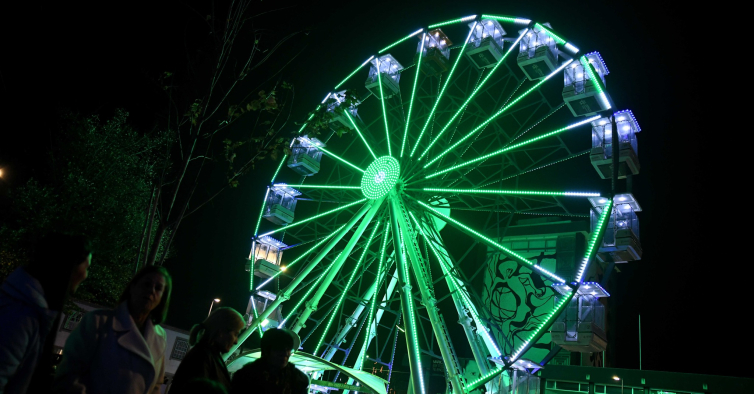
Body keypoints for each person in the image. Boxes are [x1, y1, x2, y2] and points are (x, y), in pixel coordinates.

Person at [54, 265, 172, 394]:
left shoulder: (160, 337)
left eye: (158, 288)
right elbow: (70, 373)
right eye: (147, 284)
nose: (151, 290)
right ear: (132, 287)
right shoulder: (98, 322)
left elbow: (156, 386)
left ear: (162, 298)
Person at [0, 232, 92, 394]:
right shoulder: (23, 315)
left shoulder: (28, 305)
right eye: (87, 266)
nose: (86, 275)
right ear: (68, 265)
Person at [169, 307, 244, 394]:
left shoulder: (206, 355)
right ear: (221, 332)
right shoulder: (202, 357)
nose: (236, 341)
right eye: (235, 334)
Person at [230, 328, 308, 394]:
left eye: (288, 349)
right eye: (280, 348)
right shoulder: (245, 377)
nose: (285, 353)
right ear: (266, 350)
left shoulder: (299, 381)